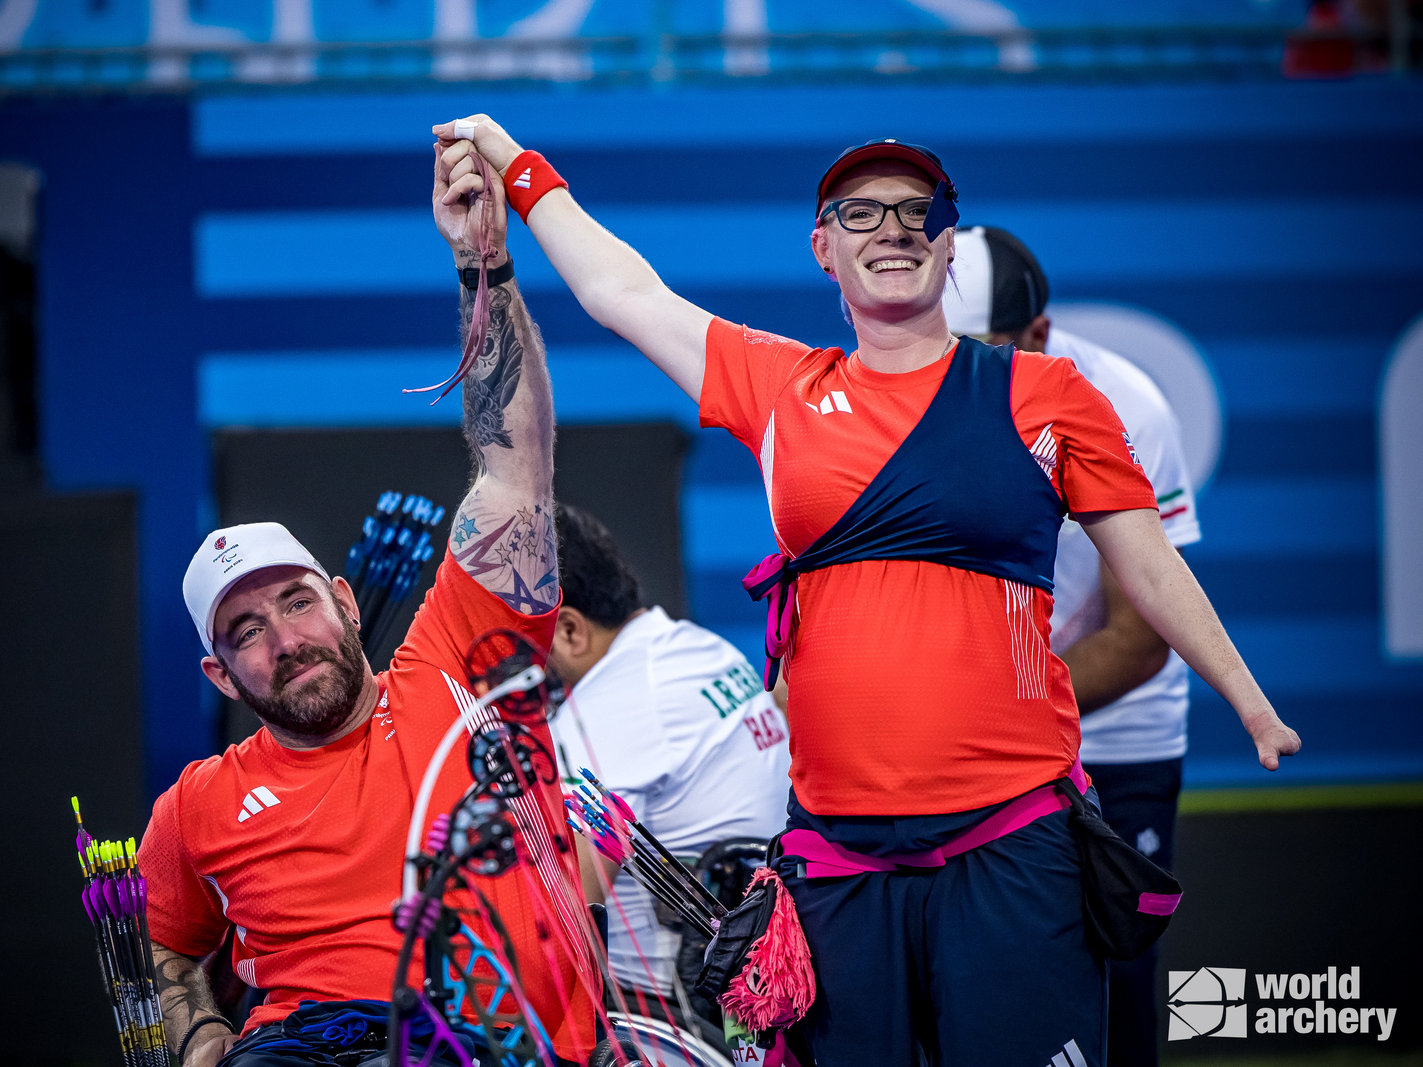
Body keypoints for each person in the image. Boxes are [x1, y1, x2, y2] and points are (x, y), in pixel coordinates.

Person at [428, 117, 1301, 1067]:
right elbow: (620, 291)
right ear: (824, 249)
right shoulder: (782, 389)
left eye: (915, 213)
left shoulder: (1048, 393)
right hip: (837, 865)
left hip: (1011, 846)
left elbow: (1151, 563)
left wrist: (1250, 702)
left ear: (945, 245)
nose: (892, 228)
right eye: (861, 212)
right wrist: (517, 169)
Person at [138, 145, 596, 1067]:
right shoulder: (196, 806)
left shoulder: (454, 668)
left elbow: (515, 472)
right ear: (218, 673)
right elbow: (165, 949)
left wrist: (481, 264)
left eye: (297, 601)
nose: (286, 639)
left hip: (479, 1034)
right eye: (246, 631)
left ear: (345, 600)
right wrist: (197, 1036)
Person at [943, 225, 1201, 1067]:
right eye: (945, 349)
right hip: (974, 731)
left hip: (1110, 737)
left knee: (1113, 985)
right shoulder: (903, 383)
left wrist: (979, 717)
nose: (956, 376)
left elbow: (1137, 641)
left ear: (1040, 338)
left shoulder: (1128, 408)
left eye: (984, 353)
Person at [544, 503, 791, 1049]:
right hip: (761, 980)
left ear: (569, 630)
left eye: (526, 639)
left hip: (677, 1012)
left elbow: (558, 908)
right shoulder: (701, 648)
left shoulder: (606, 708)